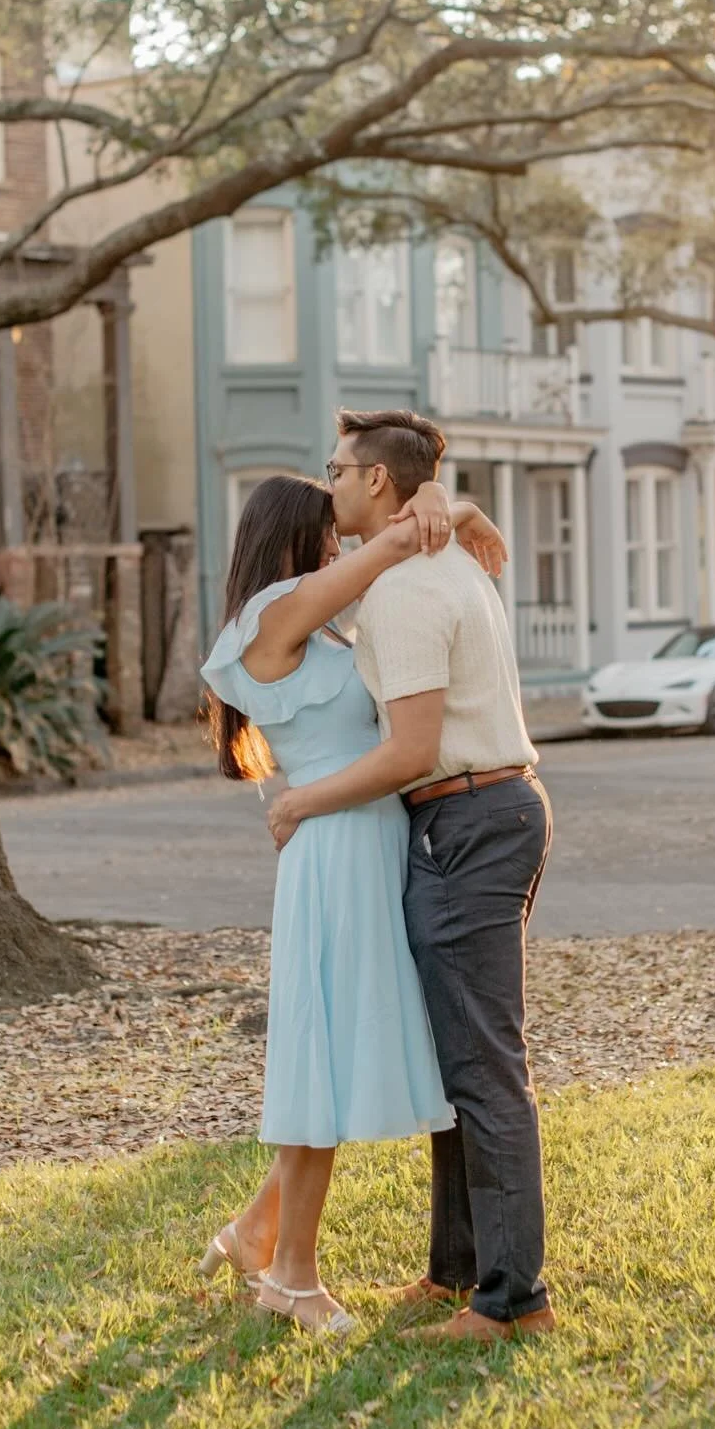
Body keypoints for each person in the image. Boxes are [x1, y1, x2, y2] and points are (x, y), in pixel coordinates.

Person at [197, 470, 508, 1338]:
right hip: (333, 858)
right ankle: (293, 1278)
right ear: (293, 538)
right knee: (321, 1060)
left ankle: (258, 1232)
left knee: (334, 1052)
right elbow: (397, 544)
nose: (342, 544)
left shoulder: (322, 627)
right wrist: (443, 502)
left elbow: (410, 574)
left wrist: (453, 501)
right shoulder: (270, 618)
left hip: (373, 850)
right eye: (329, 532)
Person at [266, 409, 556, 1343]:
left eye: (341, 471)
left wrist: (301, 802)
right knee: (456, 1057)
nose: (332, 485)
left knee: (483, 1068)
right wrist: (450, 502)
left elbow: (412, 748)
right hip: (480, 814)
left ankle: (513, 1302)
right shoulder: (439, 561)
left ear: (379, 485)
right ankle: (455, 1271)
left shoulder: (401, 592)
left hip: (467, 817)